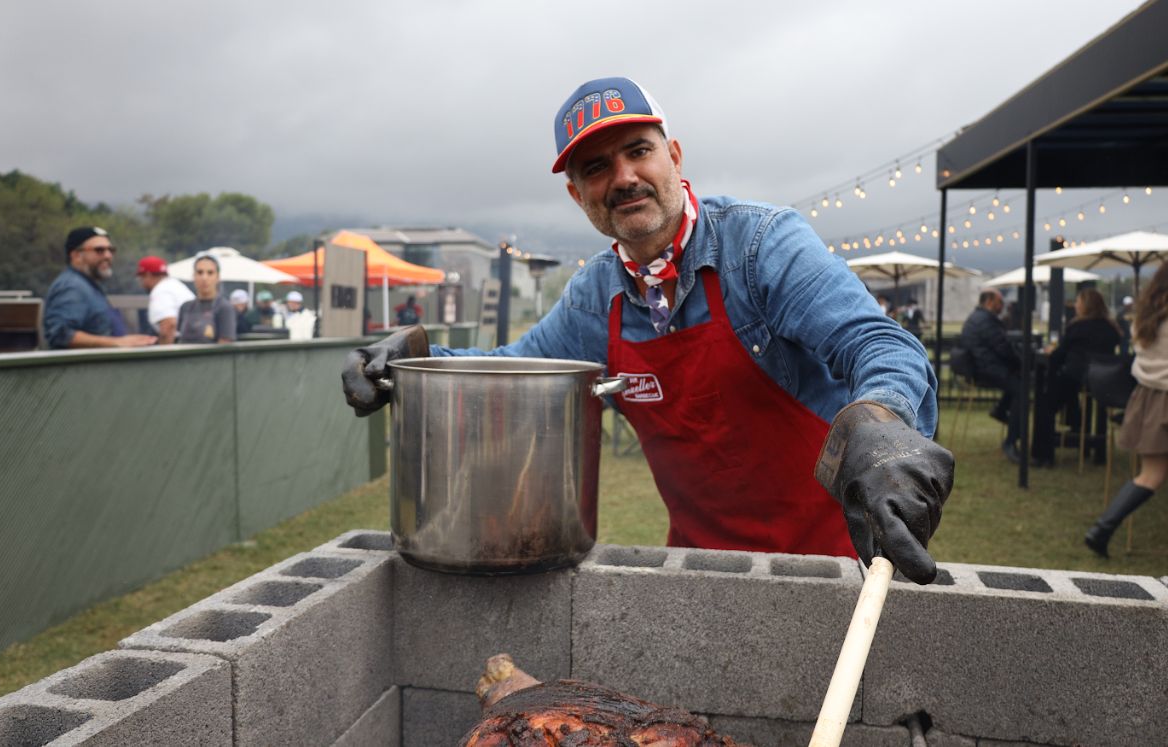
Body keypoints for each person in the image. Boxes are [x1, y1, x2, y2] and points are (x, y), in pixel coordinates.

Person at [342, 76, 953, 584]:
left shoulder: (762, 244)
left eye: (639, 150)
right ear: (578, 194)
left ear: (674, 157)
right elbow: (515, 369)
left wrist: (881, 421)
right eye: (598, 167)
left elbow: (878, 344)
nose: (625, 177)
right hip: (696, 569)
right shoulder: (594, 295)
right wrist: (412, 359)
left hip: (837, 562)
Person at [1086, 265, 1168, 557]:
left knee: (1150, 474)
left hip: (1147, 397)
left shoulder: (1145, 319)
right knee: (1152, 475)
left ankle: (1102, 529)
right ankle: (1101, 529)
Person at [1030, 289, 1122, 466]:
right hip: (1102, 381)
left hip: (1075, 377)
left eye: (1078, 301)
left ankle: (1043, 453)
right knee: (1073, 398)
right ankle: (1095, 450)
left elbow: (1059, 356)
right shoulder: (1111, 328)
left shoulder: (1078, 327)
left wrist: (1051, 356)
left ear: (1086, 305)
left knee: (1045, 404)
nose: (1075, 305)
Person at [43, 226, 157, 349]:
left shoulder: (87, 285)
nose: (108, 255)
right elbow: (60, 335)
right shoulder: (71, 287)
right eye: (99, 250)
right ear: (76, 255)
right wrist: (116, 342)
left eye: (111, 250)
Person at [960, 288, 1022, 464]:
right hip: (987, 369)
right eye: (999, 302)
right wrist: (1022, 363)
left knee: (1018, 384)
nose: (1002, 306)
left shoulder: (977, 317)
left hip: (980, 368)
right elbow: (1003, 348)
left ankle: (1001, 410)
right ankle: (1011, 442)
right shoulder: (985, 320)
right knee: (1021, 390)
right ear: (989, 302)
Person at [176, 255, 236, 344]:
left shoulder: (224, 308)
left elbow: (224, 348)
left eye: (210, 273)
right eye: (200, 272)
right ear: (193, 276)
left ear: (218, 278)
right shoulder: (185, 307)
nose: (204, 278)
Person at [136, 255, 195, 344]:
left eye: (141, 277)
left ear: (147, 275)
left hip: (184, 343)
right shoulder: (174, 285)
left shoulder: (160, 291)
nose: (141, 282)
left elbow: (169, 325)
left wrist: (164, 354)